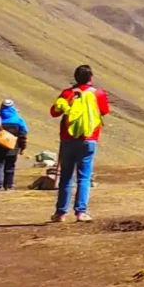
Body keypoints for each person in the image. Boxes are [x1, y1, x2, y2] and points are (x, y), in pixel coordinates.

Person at [50, 65, 109, 223]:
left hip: (68, 138)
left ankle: (60, 213)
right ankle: (81, 212)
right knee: (84, 176)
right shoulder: (98, 93)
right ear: (91, 77)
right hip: (89, 138)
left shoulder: (67, 93)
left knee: (66, 176)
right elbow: (104, 111)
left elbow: (54, 112)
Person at [0, 99, 29, 192]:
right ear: (13, 107)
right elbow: (23, 134)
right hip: (12, 148)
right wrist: (22, 147)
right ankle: (9, 185)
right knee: (10, 166)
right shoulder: (18, 120)